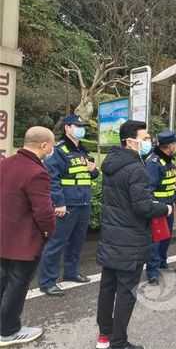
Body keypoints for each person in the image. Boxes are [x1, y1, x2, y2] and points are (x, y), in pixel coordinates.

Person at [96, 120, 172, 349]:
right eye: (146, 137)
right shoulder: (136, 169)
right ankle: (118, 342)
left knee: (107, 287)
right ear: (130, 141)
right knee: (126, 292)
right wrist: (165, 208)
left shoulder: (111, 164)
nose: (150, 142)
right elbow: (142, 207)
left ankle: (104, 337)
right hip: (131, 241)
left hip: (111, 236)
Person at [0, 127, 56, 346]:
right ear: (43, 145)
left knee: (3, 282)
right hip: (24, 241)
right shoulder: (37, 172)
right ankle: (8, 331)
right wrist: (48, 233)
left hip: (3, 236)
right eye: (51, 145)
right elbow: (43, 212)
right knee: (17, 285)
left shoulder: (5, 163)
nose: (52, 149)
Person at [38, 115, 99, 296]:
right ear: (67, 128)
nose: (82, 129)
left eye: (83, 126)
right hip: (67, 205)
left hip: (84, 202)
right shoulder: (58, 151)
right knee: (56, 243)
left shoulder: (82, 150)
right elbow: (51, 179)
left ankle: (71, 273)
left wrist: (93, 170)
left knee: (77, 241)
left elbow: (92, 175)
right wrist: (59, 203)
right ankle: (48, 281)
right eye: (77, 126)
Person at [145, 130, 176, 284]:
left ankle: (162, 262)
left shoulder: (168, 160)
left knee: (166, 237)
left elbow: (169, 183)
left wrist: (175, 197)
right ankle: (152, 271)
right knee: (156, 240)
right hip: (158, 208)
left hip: (169, 206)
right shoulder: (153, 163)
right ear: (169, 146)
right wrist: (157, 207)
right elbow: (149, 189)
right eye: (175, 144)